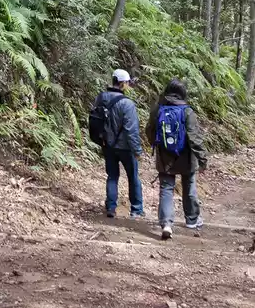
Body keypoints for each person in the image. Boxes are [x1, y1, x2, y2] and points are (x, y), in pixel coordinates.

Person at [145, 78, 207, 240]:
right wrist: (202, 159)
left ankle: (166, 224)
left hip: (165, 157)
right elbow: (195, 138)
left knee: (166, 189)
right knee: (189, 187)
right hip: (186, 157)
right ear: (182, 93)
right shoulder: (187, 111)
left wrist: (157, 144)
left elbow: (149, 130)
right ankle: (192, 220)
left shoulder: (158, 109)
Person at [89, 68, 143, 218]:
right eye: (127, 83)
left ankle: (111, 207)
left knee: (112, 176)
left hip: (107, 145)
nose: (128, 85)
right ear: (122, 83)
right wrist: (137, 150)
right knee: (133, 177)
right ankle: (136, 209)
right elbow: (131, 130)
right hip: (125, 148)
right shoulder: (127, 104)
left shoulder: (100, 98)